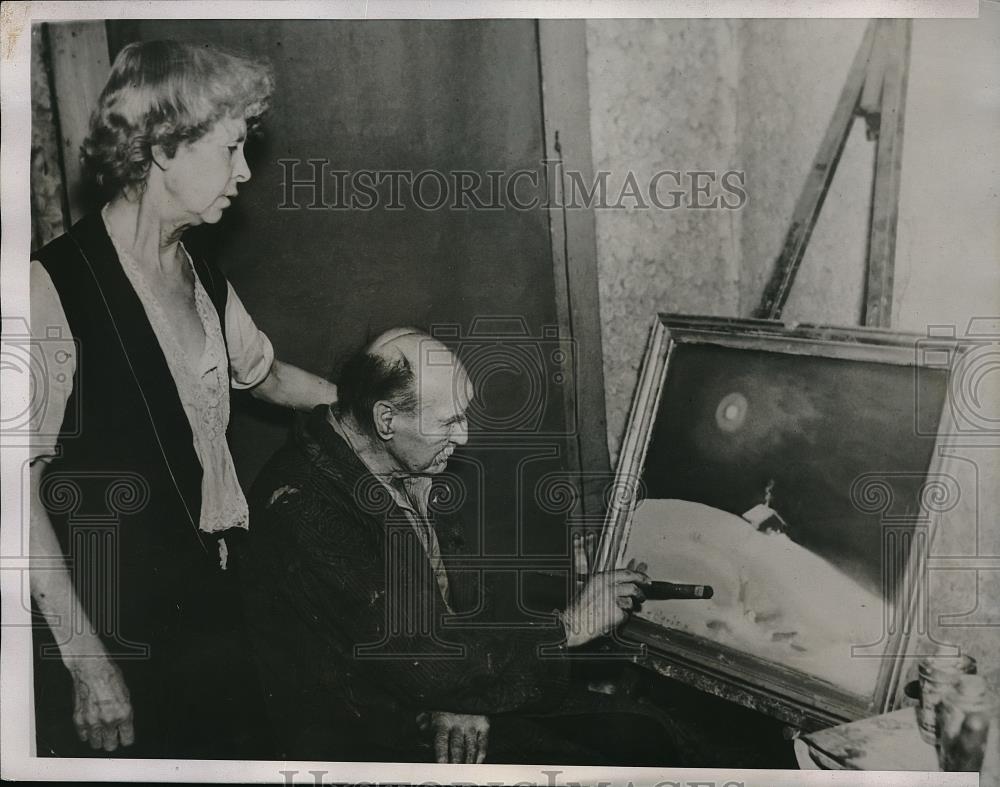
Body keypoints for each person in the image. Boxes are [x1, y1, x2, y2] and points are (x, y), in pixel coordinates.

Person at [28, 40, 338, 758]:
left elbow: (262, 374)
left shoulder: (197, 266)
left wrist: (367, 408)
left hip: (213, 607)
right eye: (231, 149)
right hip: (119, 635)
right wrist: (86, 660)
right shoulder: (53, 287)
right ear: (164, 147)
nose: (245, 172)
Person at [240, 329, 681, 764]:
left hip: (443, 689)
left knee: (645, 730)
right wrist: (569, 626)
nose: (465, 436)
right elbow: (419, 661)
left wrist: (468, 696)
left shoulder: (403, 463)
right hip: (368, 733)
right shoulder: (303, 507)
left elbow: (462, 608)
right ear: (386, 420)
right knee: (613, 757)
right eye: (450, 421)